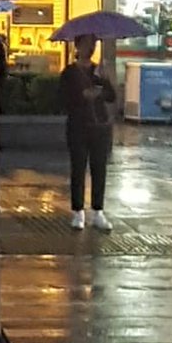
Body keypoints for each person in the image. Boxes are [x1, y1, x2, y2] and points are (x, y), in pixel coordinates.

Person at [59, 33, 116, 231]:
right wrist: (83, 96)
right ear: (78, 46)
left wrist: (105, 81)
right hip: (78, 125)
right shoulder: (69, 72)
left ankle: (98, 210)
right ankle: (78, 211)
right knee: (78, 167)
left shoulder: (97, 71)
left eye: (93, 44)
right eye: (86, 44)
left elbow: (111, 96)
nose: (90, 48)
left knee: (99, 167)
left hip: (99, 126)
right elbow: (64, 100)